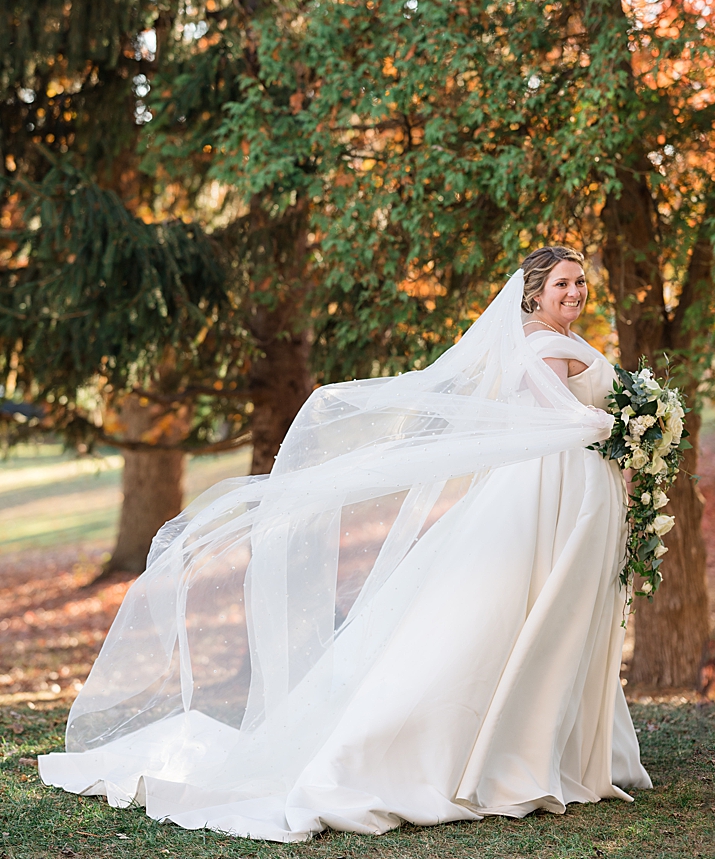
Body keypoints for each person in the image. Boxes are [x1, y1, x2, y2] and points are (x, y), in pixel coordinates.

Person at [39, 246, 652, 841]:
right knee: (519, 611)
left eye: (579, 284)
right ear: (534, 294)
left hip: (565, 490)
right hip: (544, 492)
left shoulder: (565, 343)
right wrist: (626, 424)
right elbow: (555, 419)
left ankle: (545, 745)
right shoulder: (542, 347)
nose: (574, 293)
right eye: (562, 285)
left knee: (549, 610)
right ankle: (480, 752)